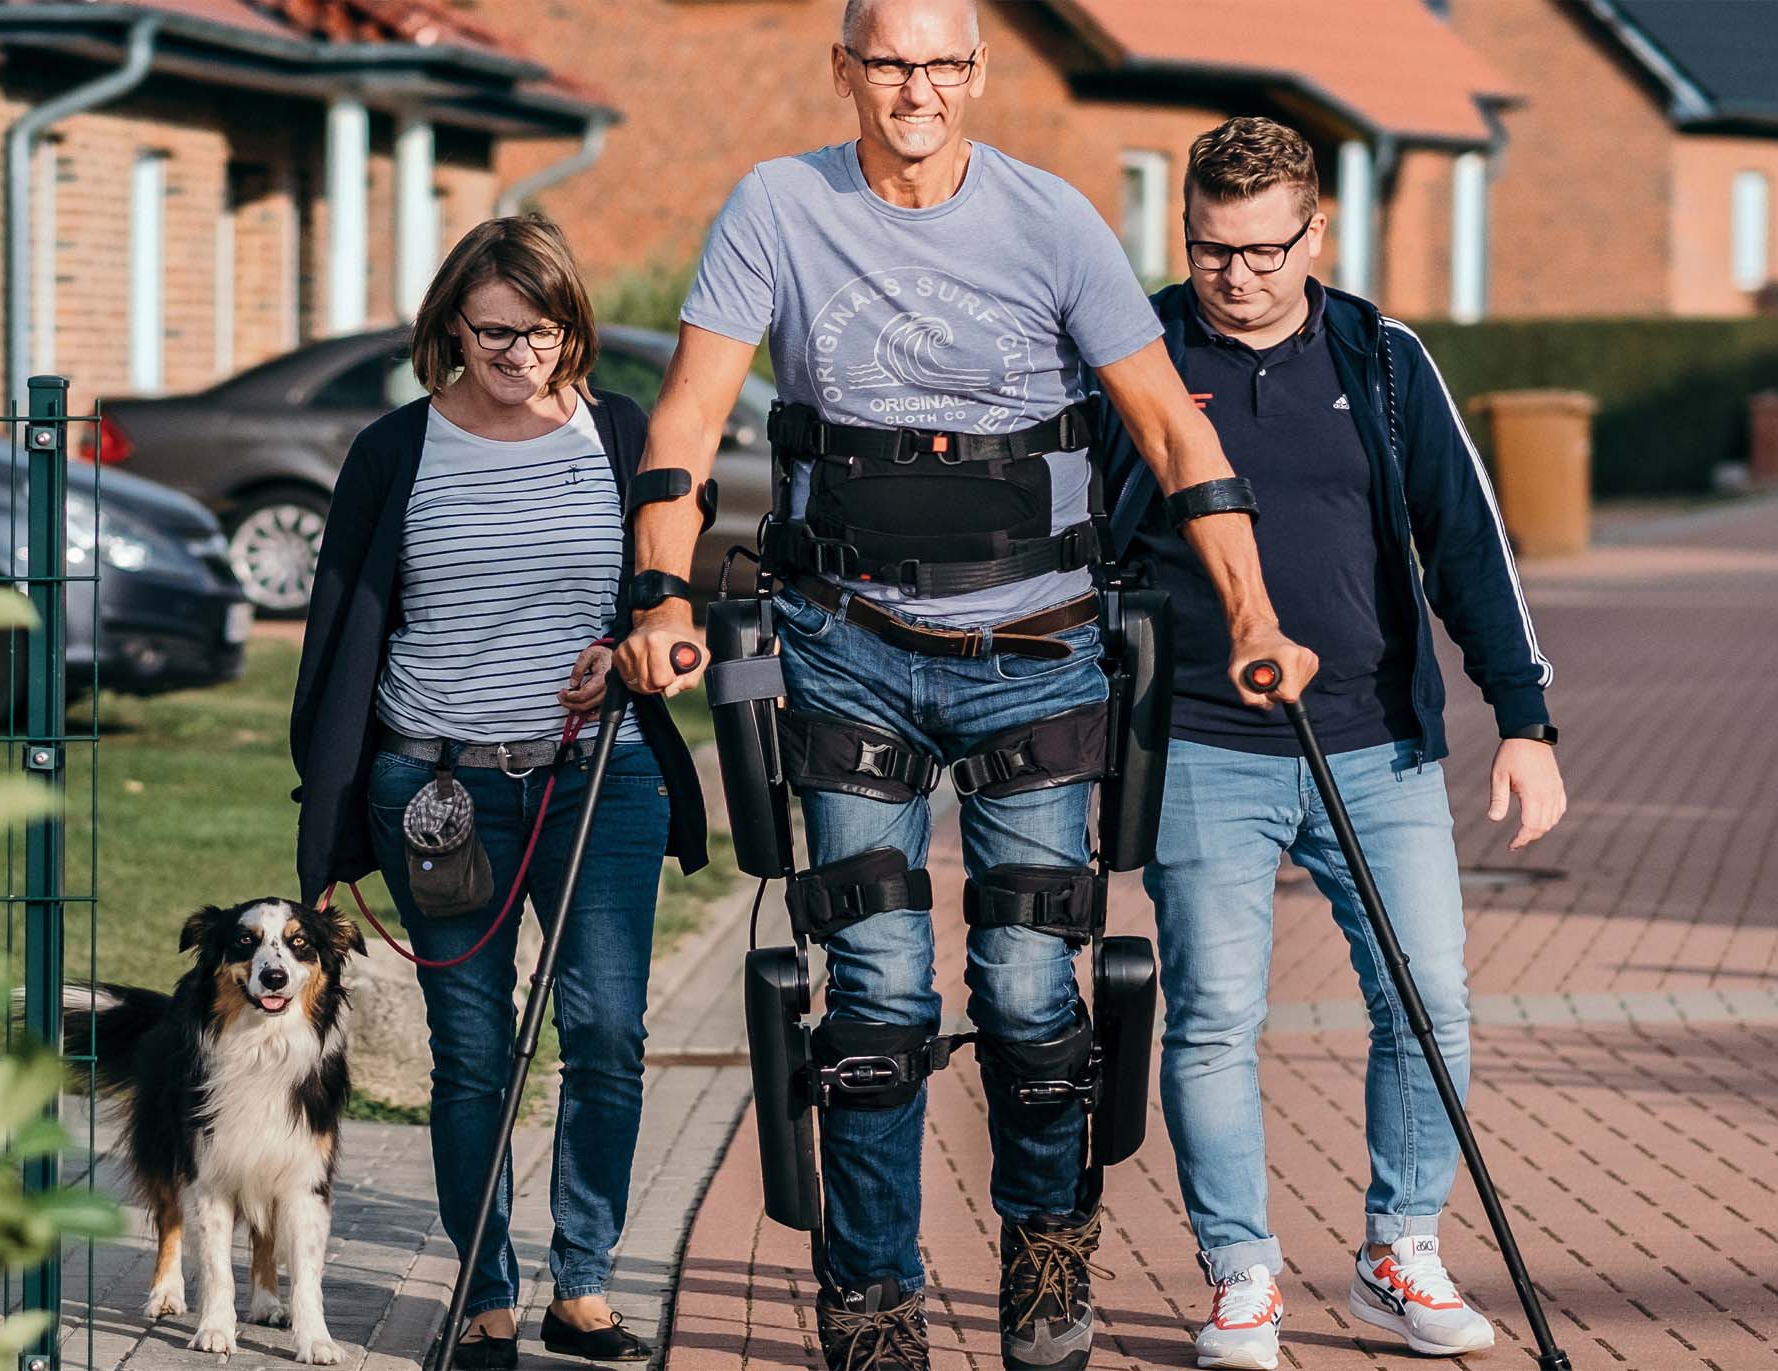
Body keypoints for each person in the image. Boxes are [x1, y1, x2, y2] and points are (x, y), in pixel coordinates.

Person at [610, 3, 1320, 1367]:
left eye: (942, 63)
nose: (916, 89)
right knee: (873, 994)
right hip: (846, 644)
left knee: (1027, 985)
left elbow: (1173, 425)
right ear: (845, 71)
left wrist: (1254, 612)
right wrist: (657, 586)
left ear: (979, 72)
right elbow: (688, 417)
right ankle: (872, 1297)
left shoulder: (1053, 221)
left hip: (1037, 648)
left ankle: (1047, 1247)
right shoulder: (777, 203)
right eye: (889, 62)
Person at [1128, 118, 1567, 1370]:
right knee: (1214, 1019)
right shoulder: (1142, 352)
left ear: (1316, 232)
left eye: (1266, 251)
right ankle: (1240, 1276)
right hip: (1207, 743)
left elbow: (1470, 547)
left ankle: (1399, 1250)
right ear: (1190, 233)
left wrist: (1523, 720)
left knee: (1430, 1003)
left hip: (1377, 742)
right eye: (1214, 250)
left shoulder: (1381, 358)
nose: (1240, 277)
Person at [286, 215, 711, 1369]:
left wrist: (633, 641)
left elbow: (674, 597)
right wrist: (325, 807)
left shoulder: (619, 435)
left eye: (550, 332)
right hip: (438, 791)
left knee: (607, 1031)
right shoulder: (396, 451)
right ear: (449, 333)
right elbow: (339, 633)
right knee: (473, 1050)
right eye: (497, 335)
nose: (525, 357)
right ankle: (483, 1290)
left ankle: (584, 1286)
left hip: (595, 777)